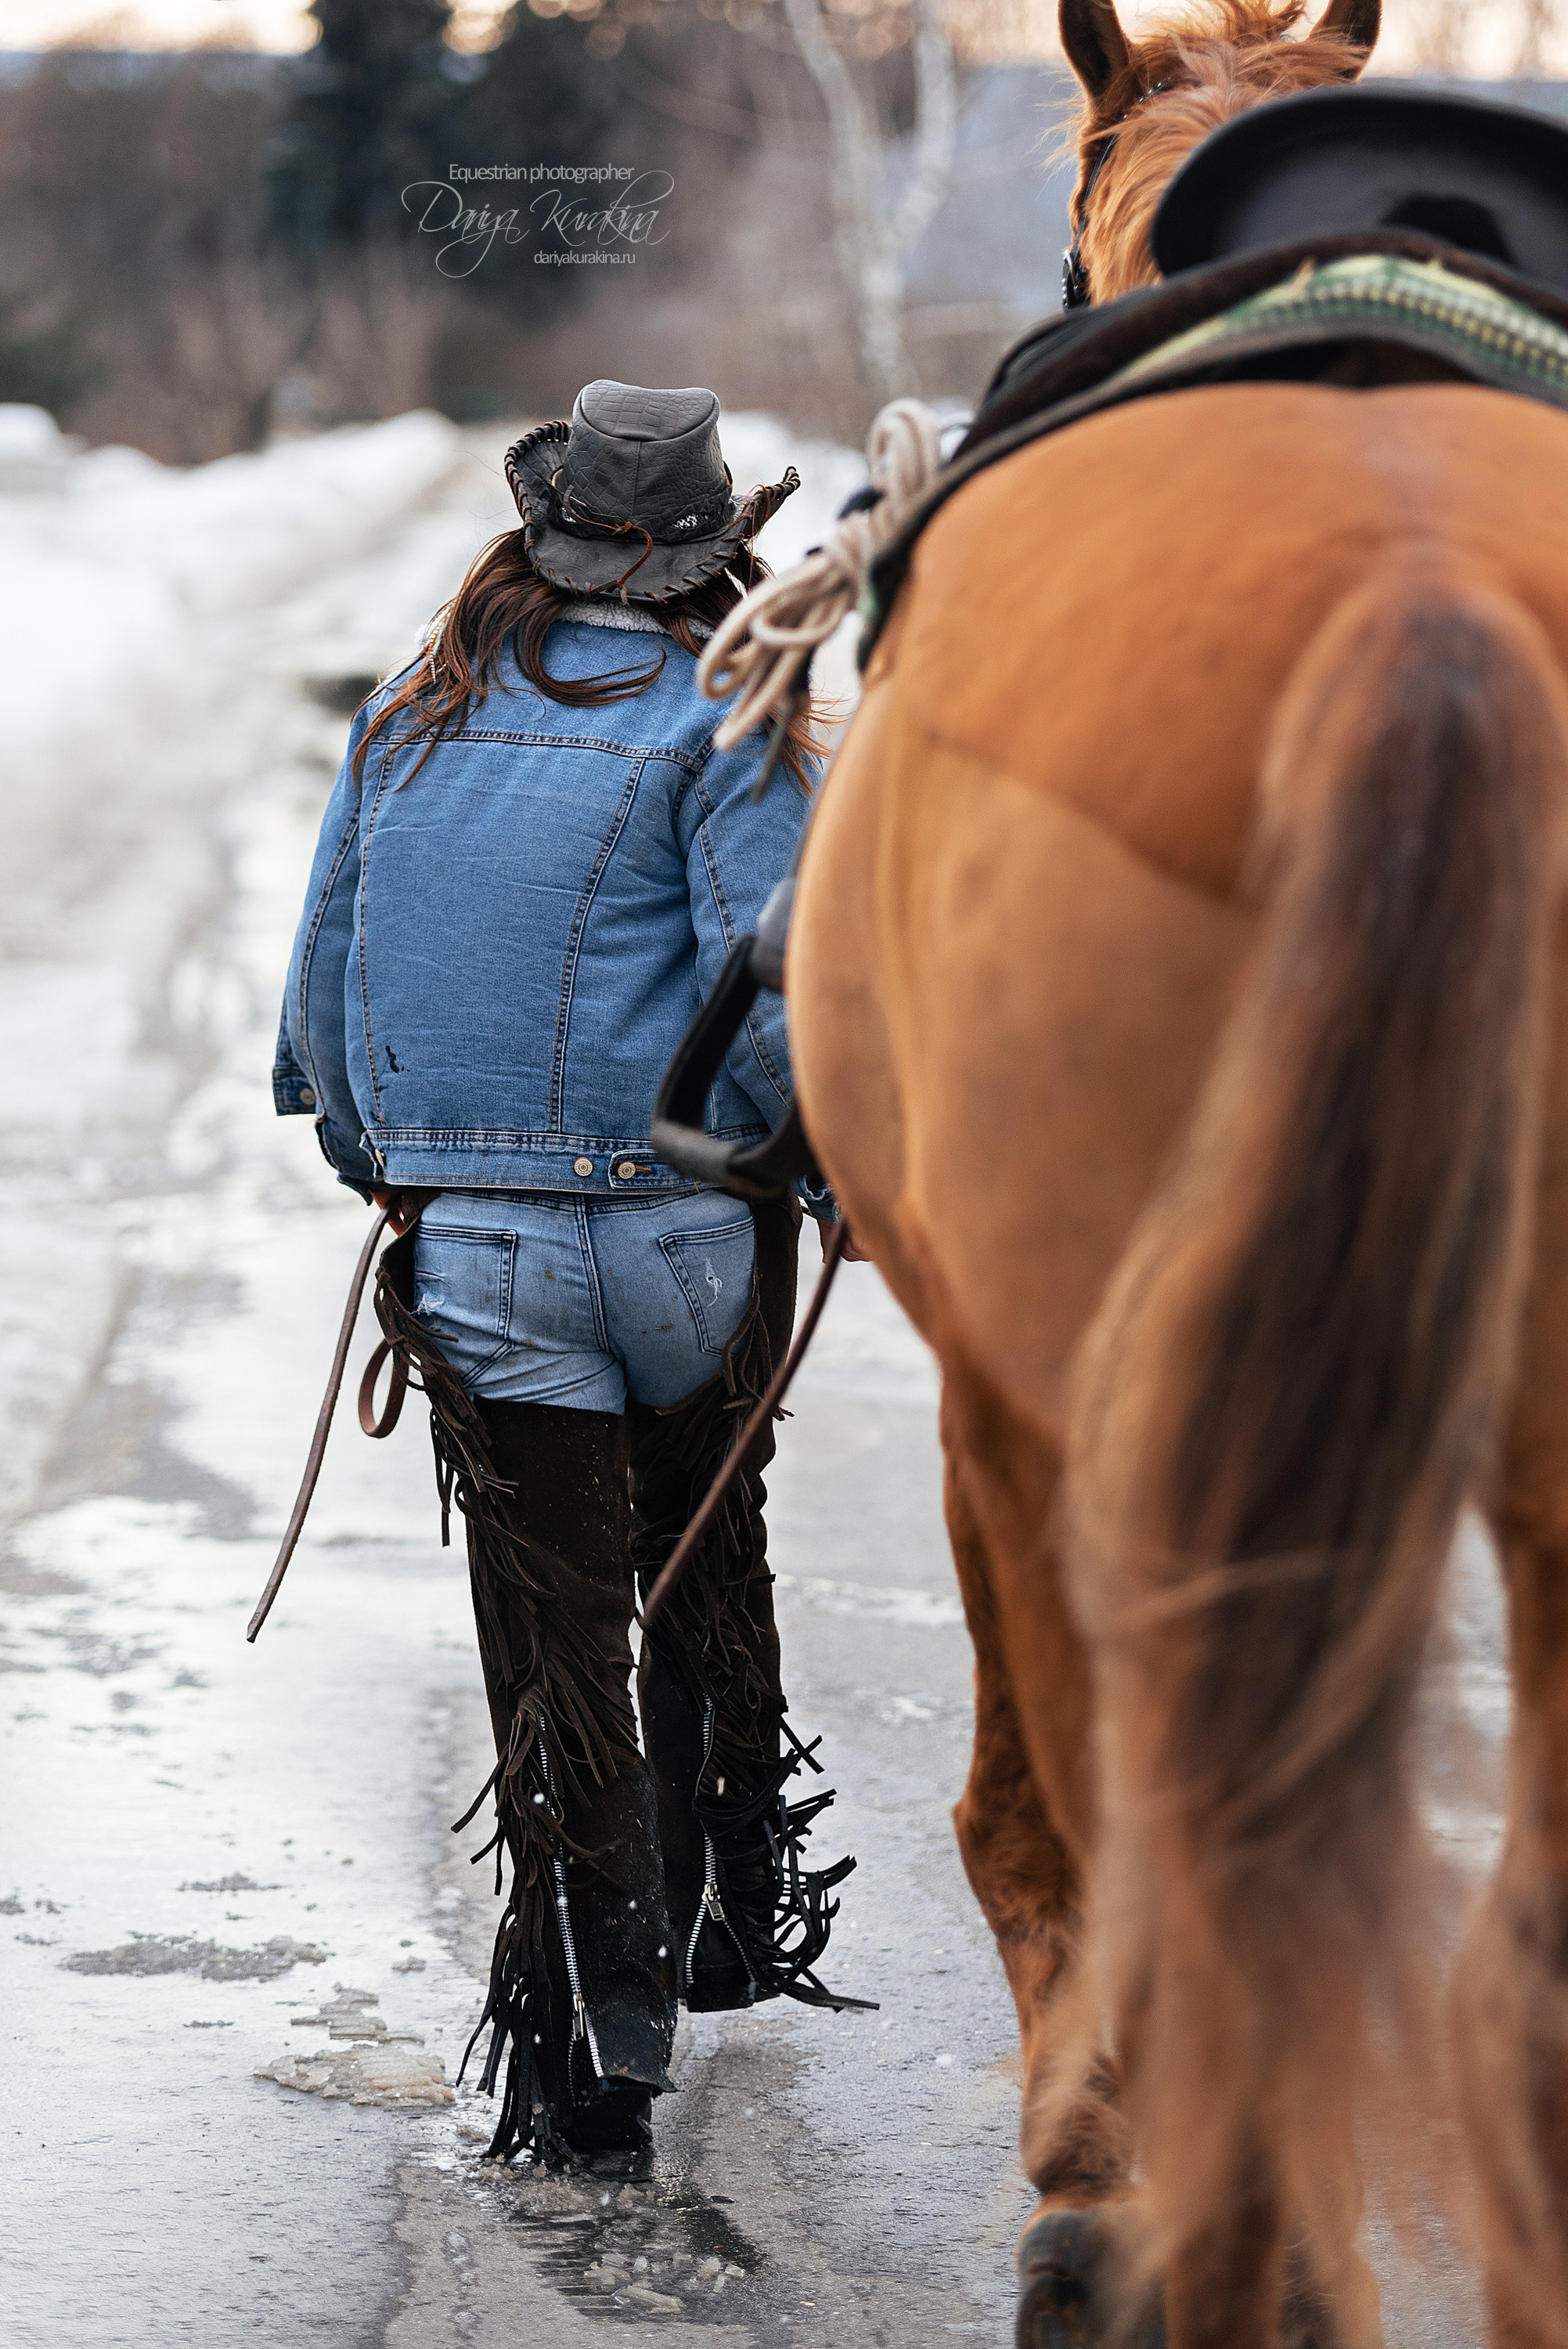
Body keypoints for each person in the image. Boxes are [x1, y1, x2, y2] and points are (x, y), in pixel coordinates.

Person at [272, 380, 863, 2170]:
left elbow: (323, 1012)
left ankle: (600, 2044)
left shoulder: (406, 714)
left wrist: (397, 1166)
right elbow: (767, 990)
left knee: (554, 1653)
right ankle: (721, 1915)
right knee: (700, 1548)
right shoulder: (729, 713)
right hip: (686, 1238)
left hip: (481, 1249)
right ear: (707, 554)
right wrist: (811, 1166)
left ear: (546, 534)